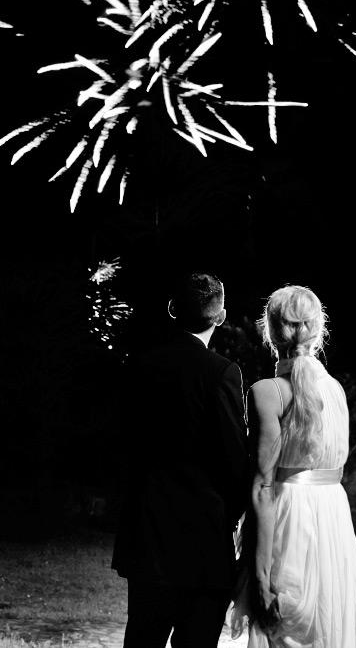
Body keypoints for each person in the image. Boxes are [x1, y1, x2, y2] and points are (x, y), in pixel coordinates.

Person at [230, 284, 356, 648]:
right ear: (317, 330)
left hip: (288, 521)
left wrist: (259, 576)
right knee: (325, 629)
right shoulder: (336, 391)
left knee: (280, 629)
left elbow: (262, 486)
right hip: (332, 525)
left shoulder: (266, 392)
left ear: (271, 331)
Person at [112, 271, 248, 648]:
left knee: (142, 639)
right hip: (203, 542)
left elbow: (123, 445)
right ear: (220, 317)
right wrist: (232, 515)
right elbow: (234, 458)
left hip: (147, 534)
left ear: (172, 309)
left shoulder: (139, 366)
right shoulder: (222, 372)